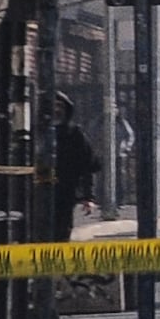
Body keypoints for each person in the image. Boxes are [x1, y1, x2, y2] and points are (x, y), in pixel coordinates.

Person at [48, 92, 99, 241]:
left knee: (61, 229)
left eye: (60, 106)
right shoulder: (36, 132)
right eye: (53, 106)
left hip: (65, 190)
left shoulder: (74, 133)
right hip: (37, 191)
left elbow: (87, 165)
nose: (56, 110)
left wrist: (88, 197)